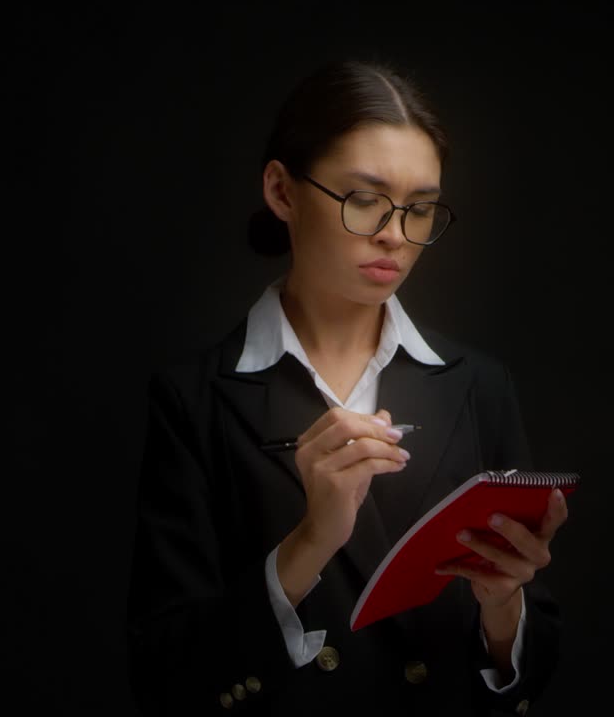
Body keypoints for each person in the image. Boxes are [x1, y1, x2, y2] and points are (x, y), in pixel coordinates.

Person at [126, 59, 570, 716]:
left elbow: (528, 677)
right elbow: (165, 679)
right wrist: (310, 542)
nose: (395, 233)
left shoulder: (479, 385)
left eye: (419, 208)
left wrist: (505, 602)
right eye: (364, 198)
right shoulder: (195, 399)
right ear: (282, 191)